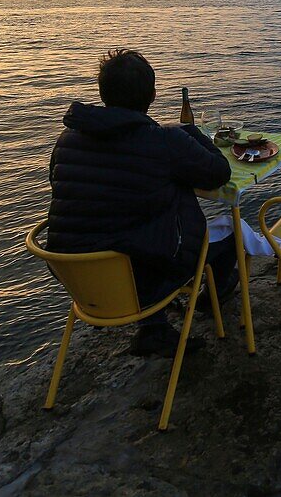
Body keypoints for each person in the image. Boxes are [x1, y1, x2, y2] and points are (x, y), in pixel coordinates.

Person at [46, 49, 236, 356]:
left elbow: (60, 184)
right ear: (153, 95)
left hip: (81, 281)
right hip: (139, 279)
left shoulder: (68, 139)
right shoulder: (163, 141)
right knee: (229, 236)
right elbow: (219, 173)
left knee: (137, 226)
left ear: (103, 93)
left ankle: (154, 330)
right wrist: (192, 133)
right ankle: (208, 304)